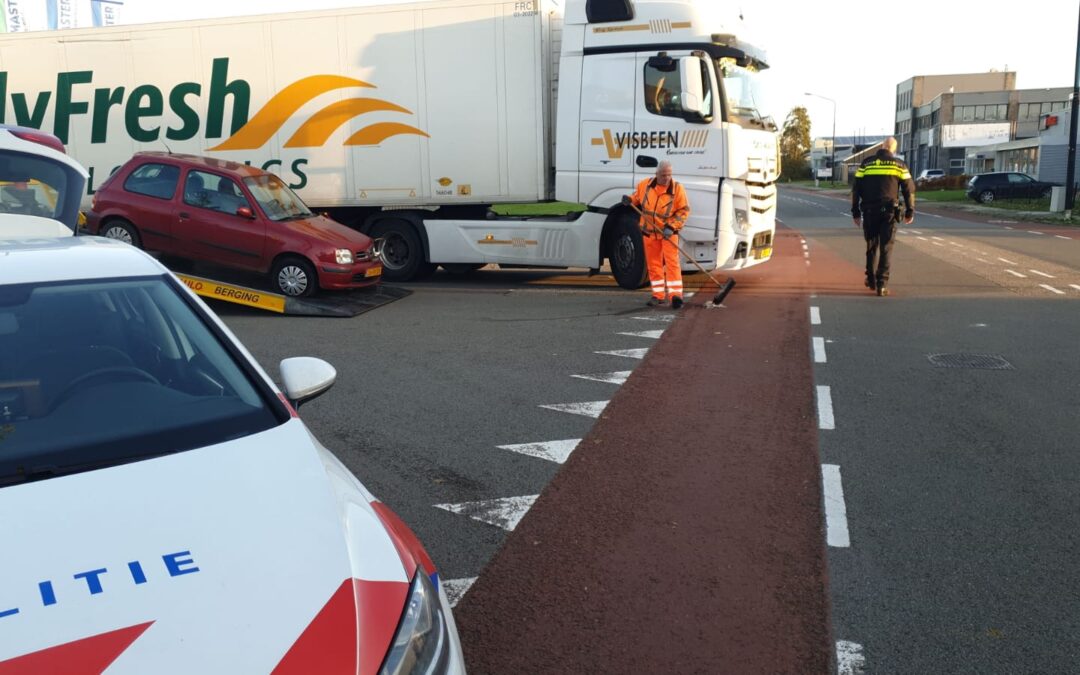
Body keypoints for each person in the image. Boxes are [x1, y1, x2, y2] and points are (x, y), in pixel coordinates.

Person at [851, 137, 915, 296]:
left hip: (869, 211)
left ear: (882, 147)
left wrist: (855, 212)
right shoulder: (899, 165)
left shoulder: (866, 163)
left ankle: (870, 279)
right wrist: (910, 211)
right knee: (886, 247)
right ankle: (882, 285)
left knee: (871, 246)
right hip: (889, 212)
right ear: (893, 149)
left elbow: (856, 189)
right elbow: (909, 190)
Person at [622, 161, 690, 308]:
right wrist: (630, 200)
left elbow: (683, 211)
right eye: (664, 175)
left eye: (669, 175)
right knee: (654, 264)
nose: (667, 178)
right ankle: (658, 295)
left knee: (672, 264)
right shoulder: (645, 185)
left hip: (668, 233)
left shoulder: (678, 189)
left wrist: (671, 226)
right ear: (657, 174)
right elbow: (637, 198)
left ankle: (675, 296)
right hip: (649, 233)